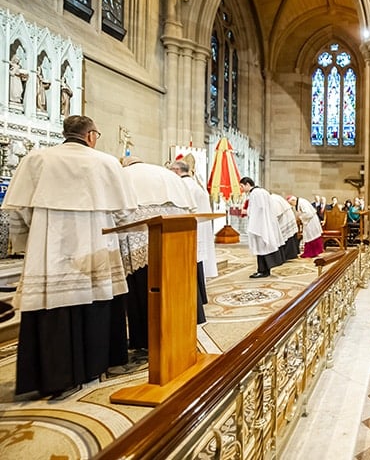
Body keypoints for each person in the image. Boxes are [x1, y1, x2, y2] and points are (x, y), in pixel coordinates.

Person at [3, 115, 138, 400]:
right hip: (95, 247)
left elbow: (18, 211)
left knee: (54, 306)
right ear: (91, 136)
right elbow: (125, 213)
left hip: (49, 249)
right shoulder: (105, 162)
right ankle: (96, 366)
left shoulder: (37, 158)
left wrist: (34, 237)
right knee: (95, 300)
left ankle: (53, 376)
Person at [119, 157, 195, 367]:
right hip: (174, 239)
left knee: (143, 290)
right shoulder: (167, 175)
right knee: (173, 287)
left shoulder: (125, 175)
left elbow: (117, 213)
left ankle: (145, 339)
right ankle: (177, 331)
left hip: (140, 240)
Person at [170, 159, 218, 323]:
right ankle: (201, 296)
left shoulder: (184, 185)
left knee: (192, 262)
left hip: (191, 228)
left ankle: (195, 300)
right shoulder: (194, 183)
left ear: (176, 171)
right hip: (200, 227)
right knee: (197, 263)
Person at [239, 177, 284, 278]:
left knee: (261, 248)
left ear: (247, 184)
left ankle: (262, 271)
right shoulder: (262, 191)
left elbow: (259, 209)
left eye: (242, 186)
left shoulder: (255, 193)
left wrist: (247, 212)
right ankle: (263, 270)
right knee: (263, 248)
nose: (242, 189)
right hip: (265, 222)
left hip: (260, 224)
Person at [268, 190, 299, 261]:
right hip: (287, 217)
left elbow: (276, 212)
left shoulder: (273, 199)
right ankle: (290, 254)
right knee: (288, 237)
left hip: (285, 219)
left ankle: (287, 255)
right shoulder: (275, 197)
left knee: (285, 237)